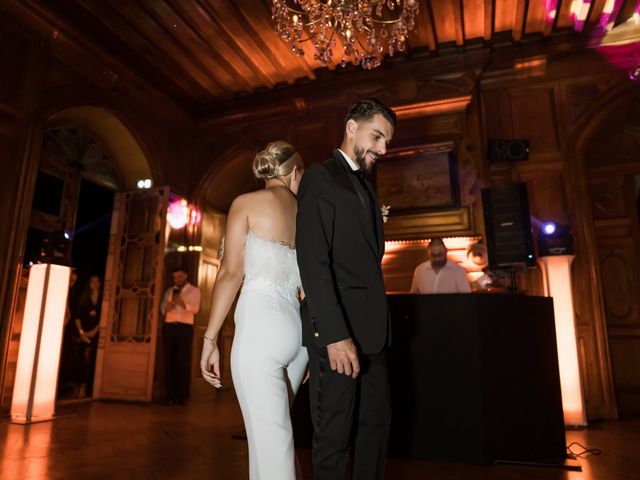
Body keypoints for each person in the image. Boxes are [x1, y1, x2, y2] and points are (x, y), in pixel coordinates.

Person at [296, 98, 395, 480]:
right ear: (352, 127)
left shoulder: (365, 185)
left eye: (387, 141)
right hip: (339, 334)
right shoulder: (321, 177)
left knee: (376, 429)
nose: (383, 149)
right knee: (334, 437)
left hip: (373, 335)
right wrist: (335, 336)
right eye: (377, 136)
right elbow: (313, 261)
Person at [200, 141, 307, 480]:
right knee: (270, 443)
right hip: (300, 335)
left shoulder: (246, 203)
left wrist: (210, 337)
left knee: (274, 447)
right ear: (293, 172)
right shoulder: (308, 212)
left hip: (261, 329)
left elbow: (231, 273)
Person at [161, 266, 201, 405]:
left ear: (185, 276)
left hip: (184, 328)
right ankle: (171, 395)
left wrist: (183, 304)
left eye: (179, 276)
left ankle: (183, 395)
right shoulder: (169, 291)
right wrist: (168, 307)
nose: (176, 279)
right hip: (169, 327)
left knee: (183, 361)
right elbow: (162, 309)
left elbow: (195, 309)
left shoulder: (194, 290)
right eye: (174, 277)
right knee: (169, 361)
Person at [73, 274, 102, 397]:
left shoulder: (102, 299)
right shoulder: (84, 299)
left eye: (97, 281)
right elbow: (77, 317)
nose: (94, 284)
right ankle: (79, 386)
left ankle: (90, 388)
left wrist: (95, 330)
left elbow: (104, 315)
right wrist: (82, 332)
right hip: (84, 333)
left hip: (97, 333)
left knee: (93, 360)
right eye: (92, 282)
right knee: (82, 360)